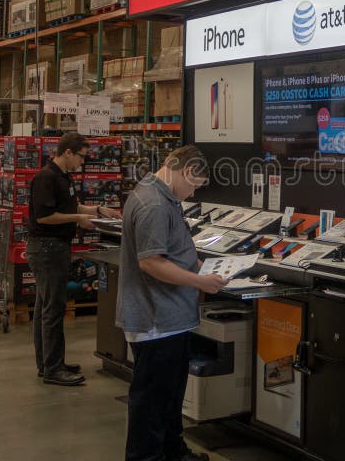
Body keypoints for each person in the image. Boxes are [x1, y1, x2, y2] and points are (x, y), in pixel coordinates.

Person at [117, 145, 226, 461]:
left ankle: (173, 452)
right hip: (156, 320)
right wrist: (200, 282)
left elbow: (171, 251)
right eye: (194, 185)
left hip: (169, 318)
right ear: (185, 170)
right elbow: (151, 262)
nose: (193, 194)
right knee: (151, 403)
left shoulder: (161, 196)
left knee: (169, 396)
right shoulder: (154, 204)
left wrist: (200, 266)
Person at [27, 131, 120, 386]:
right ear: (68, 152)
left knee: (45, 308)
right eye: (80, 156)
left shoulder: (63, 176)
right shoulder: (45, 177)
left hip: (55, 247)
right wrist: (79, 219)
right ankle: (53, 369)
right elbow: (44, 217)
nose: (82, 162)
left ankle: (48, 363)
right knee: (53, 309)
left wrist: (97, 210)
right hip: (47, 248)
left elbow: (69, 207)